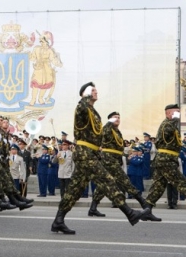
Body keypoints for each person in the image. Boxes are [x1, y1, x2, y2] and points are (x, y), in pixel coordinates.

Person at [50, 82, 149, 235]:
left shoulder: (93, 111)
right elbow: (82, 107)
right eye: (93, 90)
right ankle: (130, 213)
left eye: (95, 90)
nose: (96, 92)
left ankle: (58, 221)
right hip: (85, 153)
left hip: (91, 153)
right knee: (107, 179)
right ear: (86, 93)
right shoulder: (82, 108)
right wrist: (85, 96)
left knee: (74, 190)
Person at [144, 104, 186, 218]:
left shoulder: (172, 125)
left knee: (158, 187)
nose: (178, 114)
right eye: (175, 112)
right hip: (166, 160)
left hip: (166, 160)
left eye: (179, 112)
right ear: (168, 113)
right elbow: (166, 133)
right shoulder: (166, 124)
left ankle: (146, 211)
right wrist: (175, 120)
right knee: (181, 183)